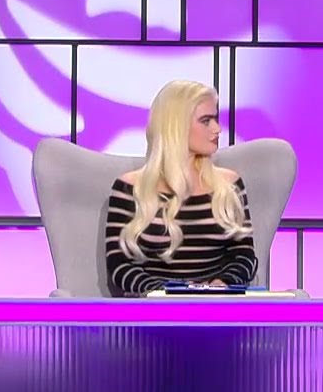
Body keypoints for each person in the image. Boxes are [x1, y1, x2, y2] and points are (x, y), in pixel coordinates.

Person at [105, 79, 256, 297]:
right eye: (206, 121)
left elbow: (244, 255)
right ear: (176, 127)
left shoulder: (230, 185)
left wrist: (221, 284)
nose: (217, 129)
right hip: (153, 310)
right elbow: (119, 264)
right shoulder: (129, 189)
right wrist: (168, 295)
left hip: (217, 307)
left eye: (215, 119)